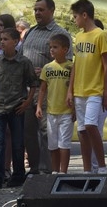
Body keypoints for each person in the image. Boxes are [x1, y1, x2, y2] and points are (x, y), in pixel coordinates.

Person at [21, 0, 72, 175]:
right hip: (28, 91)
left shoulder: (60, 33)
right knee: (28, 131)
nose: (37, 13)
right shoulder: (30, 32)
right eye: (35, 10)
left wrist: (45, 69)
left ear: (52, 10)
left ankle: (48, 170)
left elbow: (68, 64)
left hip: (49, 91)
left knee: (46, 132)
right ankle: (34, 168)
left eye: (41, 10)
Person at [0, 27, 38, 190]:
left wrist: (27, 102)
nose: (2, 42)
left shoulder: (24, 62)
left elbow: (33, 83)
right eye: (1, 39)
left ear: (15, 42)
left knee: (17, 143)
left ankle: (18, 175)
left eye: (6, 39)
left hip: (17, 107)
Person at [68, 0, 107, 174]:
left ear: (84, 15)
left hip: (95, 90)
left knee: (91, 125)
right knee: (82, 131)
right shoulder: (78, 37)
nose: (74, 20)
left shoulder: (100, 35)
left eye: (76, 16)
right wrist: (70, 91)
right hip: (79, 91)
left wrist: (106, 92)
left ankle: (101, 166)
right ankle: (87, 169)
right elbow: (75, 65)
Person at [34, 33, 74, 174]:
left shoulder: (71, 67)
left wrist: (74, 109)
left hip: (66, 112)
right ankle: (55, 171)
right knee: (53, 145)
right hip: (51, 112)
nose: (52, 50)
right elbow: (43, 89)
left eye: (55, 47)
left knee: (64, 144)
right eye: (50, 47)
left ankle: (63, 171)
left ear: (65, 49)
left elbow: (74, 89)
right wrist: (39, 106)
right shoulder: (47, 67)